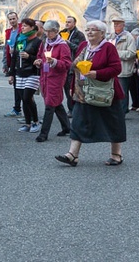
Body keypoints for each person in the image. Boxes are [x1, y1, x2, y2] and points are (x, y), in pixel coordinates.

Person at [55, 20, 126, 167]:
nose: (89, 32)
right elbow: (77, 68)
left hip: (105, 92)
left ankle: (116, 154)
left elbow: (116, 69)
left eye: (93, 30)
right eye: (87, 30)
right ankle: (72, 155)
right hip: (83, 92)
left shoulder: (108, 48)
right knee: (78, 121)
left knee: (112, 123)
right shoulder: (83, 46)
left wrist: (97, 73)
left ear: (102, 33)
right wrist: (73, 86)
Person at [34, 20, 72, 141]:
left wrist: (55, 62)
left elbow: (67, 64)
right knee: (56, 103)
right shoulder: (45, 43)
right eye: (45, 31)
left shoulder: (62, 45)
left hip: (56, 77)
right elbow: (40, 55)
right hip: (45, 75)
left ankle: (43, 134)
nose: (47, 33)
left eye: (49, 31)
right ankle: (67, 127)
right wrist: (39, 61)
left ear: (56, 31)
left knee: (50, 105)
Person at [8, 18, 42, 133]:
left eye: (26, 26)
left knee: (28, 97)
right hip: (20, 72)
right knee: (23, 98)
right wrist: (11, 73)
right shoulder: (20, 39)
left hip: (32, 72)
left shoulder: (38, 41)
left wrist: (29, 57)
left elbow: (41, 58)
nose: (22, 28)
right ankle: (27, 123)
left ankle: (36, 121)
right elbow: (14, 58)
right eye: (22, 26)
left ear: (32, 28)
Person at [110, 16, 137, 113]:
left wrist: (116, 53)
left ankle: (123, 111)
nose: (115, 25)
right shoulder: (111, 36)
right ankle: (117, 110)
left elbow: (132, 53)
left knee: (122, 91)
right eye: (114, 24)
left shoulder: (129, 37)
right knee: (114, 91)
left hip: (124, 69)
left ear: (123, 25)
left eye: (118, 24)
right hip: (113, 69)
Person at [60, 16, 85, 111]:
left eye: (69, 22)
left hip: (73, 64)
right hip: (64, 64)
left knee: (72, 87)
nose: (67, 23)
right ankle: (70, 108)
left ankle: (74, 108)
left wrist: (69, 44)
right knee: (66, 88)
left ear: (74, 23)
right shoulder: (61, 33)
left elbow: (82, 49)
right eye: (66, 22)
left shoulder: (79, 35)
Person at [2, 11, 22, 117]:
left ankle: (23, 109)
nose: (12, 21)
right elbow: (6, 47)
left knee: (21, 86)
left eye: (14, 18)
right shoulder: (8, 32)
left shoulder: (22, 29)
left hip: (21, 60)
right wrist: (5, 64)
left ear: (17, 18)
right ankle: (17, 108)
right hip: (12, 60)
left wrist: (17, 50)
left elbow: (24, 44)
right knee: (16, 85)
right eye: (10, 19)